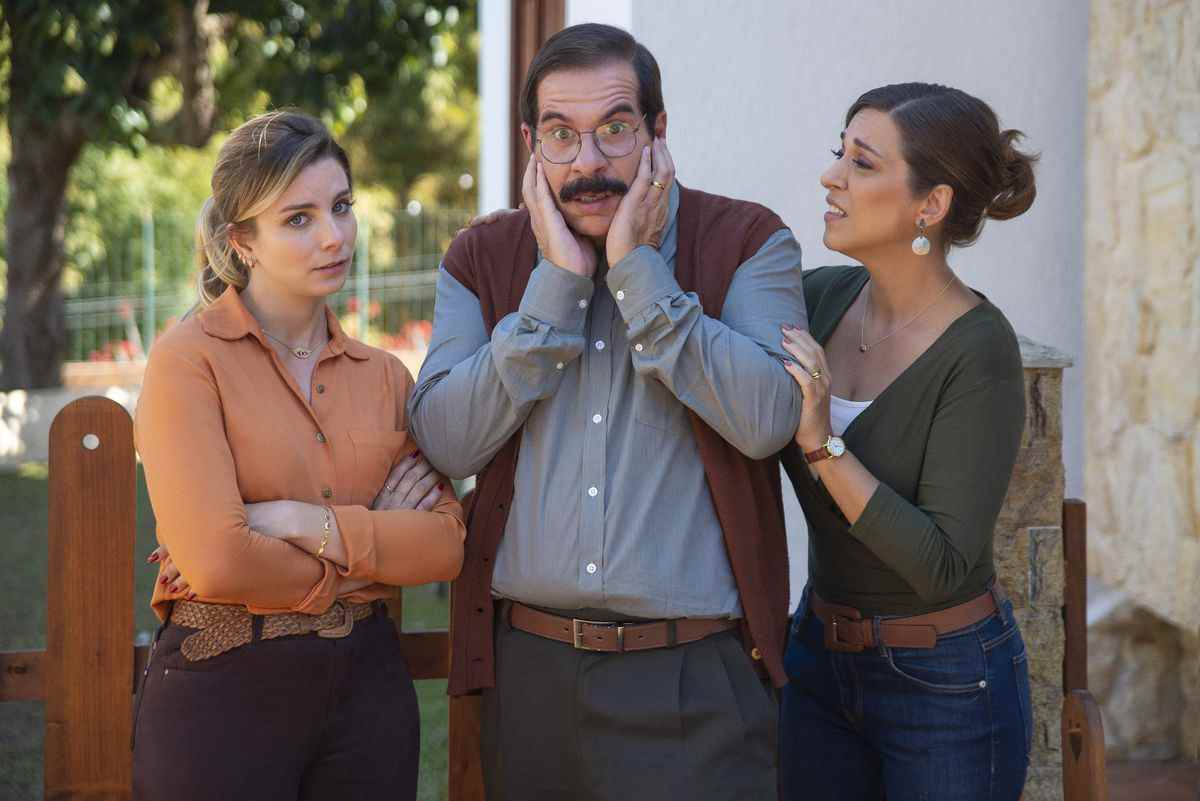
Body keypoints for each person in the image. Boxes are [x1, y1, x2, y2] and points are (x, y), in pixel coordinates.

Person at [409, 22, 806, 801]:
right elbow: (446, 438)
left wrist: (637, 270)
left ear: (658, 132)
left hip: (694, 678)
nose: (588, 162)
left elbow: (767, 417)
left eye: (615, 130)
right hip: (530, 675)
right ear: (531, 144)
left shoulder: (751, 241)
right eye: (561, 135)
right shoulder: (480, 258)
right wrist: (556, 288)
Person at [131, 110, 465, 801]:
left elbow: (443, 547)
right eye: (299, 218)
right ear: (241, 240)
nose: (335, 235)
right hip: (223, 688)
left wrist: (294, 520)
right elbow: (218, 560)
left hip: (368, 696)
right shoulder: (187, 362)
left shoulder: (384, 376)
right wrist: (367, 544)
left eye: (341, 207)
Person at [776, 82, 1038, 801]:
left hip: (946, 683)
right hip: (818, 663)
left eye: (862, 163)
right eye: (841, 154)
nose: (832, 176)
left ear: (931, 205)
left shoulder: (979, 349)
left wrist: (823, 442)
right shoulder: (817, 298)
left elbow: (944, 562)